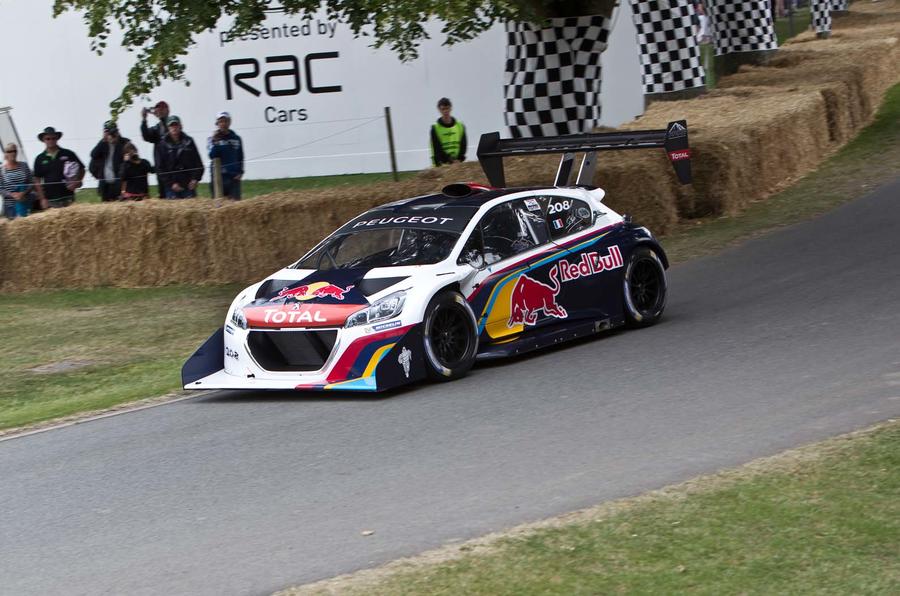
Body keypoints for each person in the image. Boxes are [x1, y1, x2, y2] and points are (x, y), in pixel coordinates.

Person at [33, 126, 84, 209]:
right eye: (48, 139)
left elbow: (81, 169)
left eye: (53, 138)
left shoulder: (68, 153)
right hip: (50, 199)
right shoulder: (39, 158)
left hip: (68, 196)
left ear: (57, 139)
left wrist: (78, 181)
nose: (51, 141)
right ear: (43, 140)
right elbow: (37, 180)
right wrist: (42, 199)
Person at [154, 116, 203, 199]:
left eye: (176, 125)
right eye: (171, 125)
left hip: (188, 185)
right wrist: (171, 183)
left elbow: (198, 163)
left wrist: (195, 179)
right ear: (168, 128)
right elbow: (159, 168)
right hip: (171, 188)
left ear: (180, 126)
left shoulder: (189, 141)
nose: (174, 127)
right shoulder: (161, 145)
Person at [89, 121, 131, 202]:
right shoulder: (103, 144)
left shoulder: (124, 142)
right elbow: (93, 155)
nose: (111, 135)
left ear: (117, 131)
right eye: (108, 132)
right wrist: (103, 141)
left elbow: (129, 158)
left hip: (120, 184)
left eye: (113, 132)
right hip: (105, 184)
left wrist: (117, 140)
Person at [207, 111, 244, 199]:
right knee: (218, 205)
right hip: (218, 177)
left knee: (236, 206)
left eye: (225, 121)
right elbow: (212, 156)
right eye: (221, 121)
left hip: (234, 177)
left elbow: (240, 156)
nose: (223, 124)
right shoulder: (211, 138)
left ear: (229, 122)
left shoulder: (236, 138)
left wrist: (240, 172)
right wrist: (215, 142)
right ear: (217, 123)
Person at [141, 100, 170, 197]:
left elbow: (169, 131)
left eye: (162, 109)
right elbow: (146, 136)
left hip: (173, 168)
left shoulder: (172, 124)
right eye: (158, 109)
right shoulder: (157, 128)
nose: (159, 111)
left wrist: (161, 117)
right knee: (163, 196)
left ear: (167, 110)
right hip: (160, 169)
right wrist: (144, 120)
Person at [430, 97, 467, 167]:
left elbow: (463, 145)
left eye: (447, 108)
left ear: (451, 108)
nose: (445, 111)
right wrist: (450, 161)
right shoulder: (435, 128)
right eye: (443, 109)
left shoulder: (460, 126)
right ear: (439, 110)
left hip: (458, 163)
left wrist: (459, 159)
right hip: (442, 164)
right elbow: (437, 148)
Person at [1, 143, 34, 219]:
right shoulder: (1, 170)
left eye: (15, 151)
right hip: (10, 207)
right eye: (9, 151)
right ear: (5, 153)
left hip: (25, 203)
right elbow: (0, 188)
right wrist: (12, 195)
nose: (13, 153)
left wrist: (23, 193)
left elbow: (31, 183)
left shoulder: (24, 165)